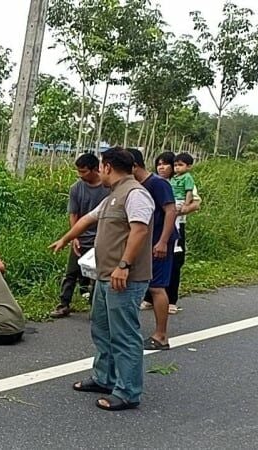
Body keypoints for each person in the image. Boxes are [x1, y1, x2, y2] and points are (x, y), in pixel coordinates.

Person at [50, 147, 153, 411]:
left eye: (101, 167)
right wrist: (66, 238)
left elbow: (139, 232)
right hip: (105, 276)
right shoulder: (112, 197)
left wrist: (124, 265)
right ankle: (104, 377)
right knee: (102, 328)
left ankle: (128, 391)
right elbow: (87, 218)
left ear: (107, 167)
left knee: (124, 335)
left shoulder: (136, 194)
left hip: (123, 278)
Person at [128, 148, 177, 351]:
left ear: (134, 166)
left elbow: (171, 210)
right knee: (148, 285)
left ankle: (161, 335)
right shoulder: (137, 185)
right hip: (148, 241)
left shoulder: (157, 183)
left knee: (157, 287)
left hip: (159, 241)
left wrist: (163, 241)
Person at [50, 153, 109, 318]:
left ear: (95, 169)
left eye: (83, 171)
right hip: (81, 238)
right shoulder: (76, 188)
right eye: (79, 171)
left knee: (98, 275)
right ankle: (64, 304)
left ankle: (95, 308)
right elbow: (73, 214)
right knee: (71, 272)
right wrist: (74, 237)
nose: (80, 175)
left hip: (101, 239)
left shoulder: (108, 188)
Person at [154, 152, 201, 313]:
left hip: (177, 227)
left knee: (175, 262)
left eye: (165, 164)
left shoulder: (184, 180)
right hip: (156, 228)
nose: (161, 167)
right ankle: (149, 298)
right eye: (159, 163)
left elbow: (196, 203)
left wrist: (181, 210)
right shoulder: (154, 181)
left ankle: (171, 300)